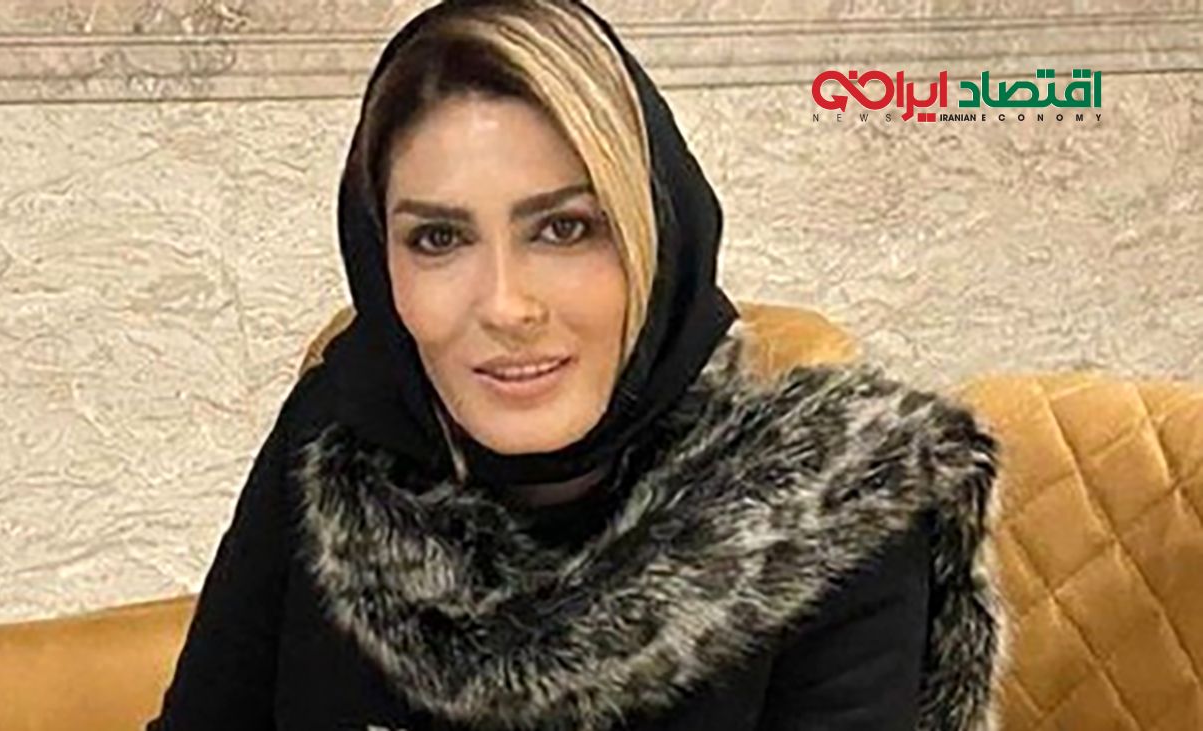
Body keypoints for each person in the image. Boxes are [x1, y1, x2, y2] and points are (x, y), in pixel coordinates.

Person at [146, 1, 1003, 729]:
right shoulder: (338, 440)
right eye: (438, 238)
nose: (506, 305)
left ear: (650, 235)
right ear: (381, 261)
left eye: (564, 228)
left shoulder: (825, 512)